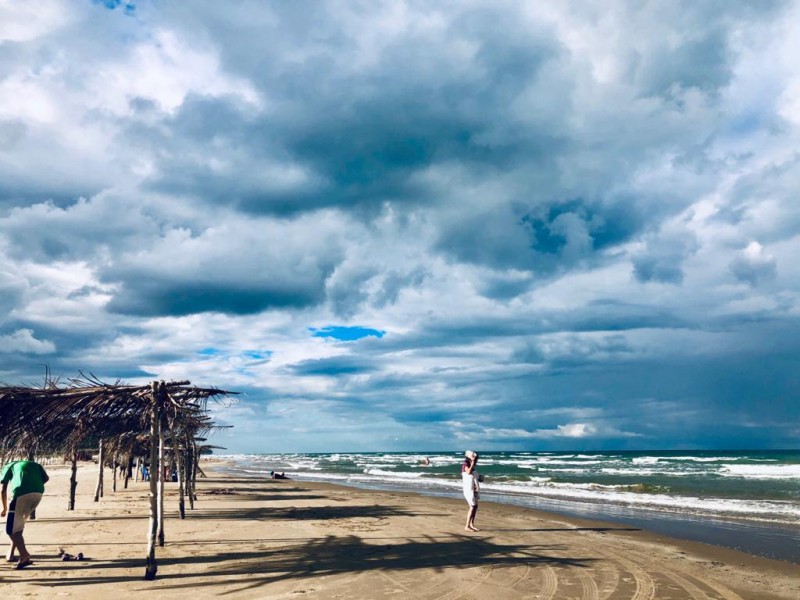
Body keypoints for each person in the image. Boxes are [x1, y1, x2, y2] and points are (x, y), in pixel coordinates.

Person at [1, 459, 49, 569]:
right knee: (18, 525)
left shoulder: (8, 466)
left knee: (10, 529)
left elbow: (2, 490)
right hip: (38, 494)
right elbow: (46, 478)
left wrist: (4, 508)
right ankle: (11, 554)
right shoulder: (35, 464)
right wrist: (33, 483)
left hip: (21, 494)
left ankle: (24, 555)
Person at [462, 450, 480, 531]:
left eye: (476, 459)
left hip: (474, 489)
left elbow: (473, 477)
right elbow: (468, 472)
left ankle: (471, 524)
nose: (476, 460)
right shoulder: (465, 464)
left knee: (475, 506)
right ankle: (467, 526)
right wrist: (472, 462)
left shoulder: (472, 465)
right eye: (474, 458)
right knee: (472, 507)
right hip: (468, 489)